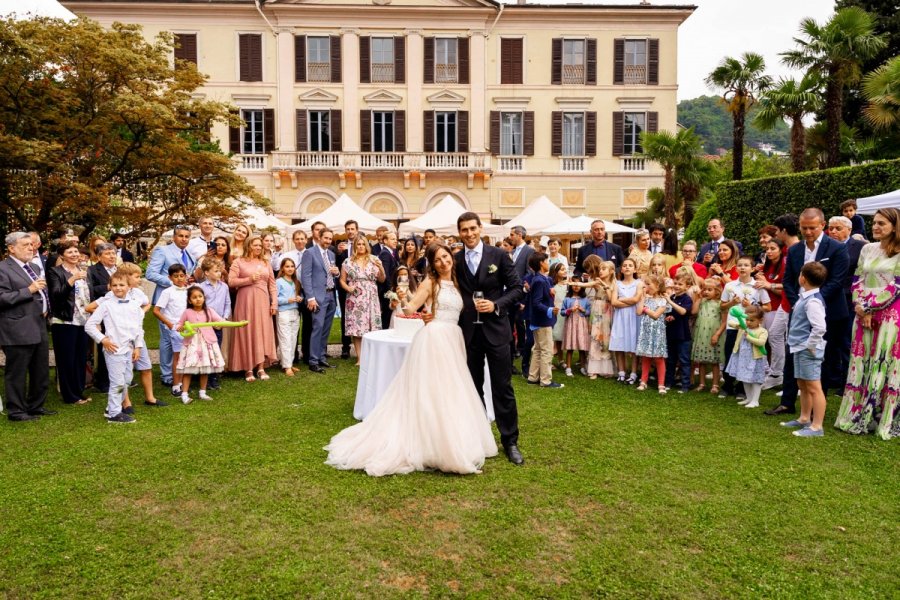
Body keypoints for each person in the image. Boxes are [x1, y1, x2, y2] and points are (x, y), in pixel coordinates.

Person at [324, 243, 498, 476]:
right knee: (432, 392)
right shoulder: (430, 282)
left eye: (445, 257)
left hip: (453, 339)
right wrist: (403, 299)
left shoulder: (460, 282)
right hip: (434, 338)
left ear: (452, 258)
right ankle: (435, 445)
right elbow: (410, 310)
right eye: (437, 260)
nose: (443, 262)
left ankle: (453, 438)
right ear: (432, 264)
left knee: (451, 391)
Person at [455, 212, 525, 465]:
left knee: (502, 387)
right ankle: (479, 437)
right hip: (469, 334)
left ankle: (510, 441)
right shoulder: (455, 260)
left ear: (480, 228)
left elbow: (517, 289)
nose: (469, 234)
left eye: (473, 228)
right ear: (459, 233)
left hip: (496, 331)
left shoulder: (499, 256)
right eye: (464, 230)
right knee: (473, 389)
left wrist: (495, 305)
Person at [766, 208, 849, 414]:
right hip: (798, 311)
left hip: (829, 311)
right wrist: (798, 304)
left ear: (822, 225)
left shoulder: (836, 248)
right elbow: (788, 281)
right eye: (804, 228)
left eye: (812, 228)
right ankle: (787, 402)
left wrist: (814, 302)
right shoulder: (794, 250)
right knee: (792, 354)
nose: (808, 232)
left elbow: (837, 281)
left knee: (824, 358)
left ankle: (814, 407)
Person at [834, 208, 900, 440]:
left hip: (890, 314)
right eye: (874, 222)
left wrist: (870, 308)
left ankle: (881, 414)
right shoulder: (867, 248)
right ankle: (858, 411)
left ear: (895, 225)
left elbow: (897, 286)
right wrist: (860, 308)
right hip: (862, 313)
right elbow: (857, 279)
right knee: (861, 361)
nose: (876, 226)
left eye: (882, 223)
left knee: (883, 361)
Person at [90, 261, 165, 409]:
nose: (139, 280)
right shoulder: (111, 296)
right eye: (137, 276)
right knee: (122, 374)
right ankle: (125, 403)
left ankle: (150, 398)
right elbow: (90, 308)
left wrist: (141, 312)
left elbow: (147, 303)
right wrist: (110, 316)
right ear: (126, 277)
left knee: (144, 367)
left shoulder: (137, 293)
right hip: (120, 341)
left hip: (137, 337)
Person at [0, 232, 52, 421]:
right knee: (18, 372)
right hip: (17, 327)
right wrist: (28, 290)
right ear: (11, 248)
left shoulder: (35, 267)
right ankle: (16, 411)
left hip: (39, 324)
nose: (31, 248)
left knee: (40, 370)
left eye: (31, 244)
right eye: (25, 245)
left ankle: (36, 406)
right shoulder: (3, 269)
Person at [84, 271, 144, 424]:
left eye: (122, 285)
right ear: (109, 287)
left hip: (129, 349)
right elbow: (90, 325)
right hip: (114, 349)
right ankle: (114, 414)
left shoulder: (134, 305)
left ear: (129, 287)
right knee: (117, 382)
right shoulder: (106, 305)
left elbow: (138, 327)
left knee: (127, 380)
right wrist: (103, 339)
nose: (118, 288)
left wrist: (137, 347)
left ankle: (111, 406)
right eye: (115, 285)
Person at [781, 262, 829, 437]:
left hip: (808, 349)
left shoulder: (813, 301)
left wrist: (810, 345)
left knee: (814, 386)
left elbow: (819, 327)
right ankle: (803, 418)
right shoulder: (805, 297)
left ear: (803, 278)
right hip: (799, 347)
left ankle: (817, 427)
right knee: (802, 384)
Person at [146, 224, 195, 386]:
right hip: (165, 300)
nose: (184, 239)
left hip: (182, 302)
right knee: (167, 339)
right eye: (180, 236)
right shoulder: (163, 251)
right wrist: (172, 283)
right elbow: (150, 273)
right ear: (174, 237)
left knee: (179, 338)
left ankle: (180, 372)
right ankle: (167, 375)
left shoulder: (189, 254)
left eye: (187, 236)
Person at [718, 255, 771, 400]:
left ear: (752, 269)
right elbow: (722, 306)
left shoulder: (757, 286)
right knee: (730, 355)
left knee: (746, 357)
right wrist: (731, 303)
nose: (742, 268)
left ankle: (742, 388)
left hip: (750, 328)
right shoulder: (730, 286)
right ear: (736, 268)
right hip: (733, 326)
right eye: (740, 265)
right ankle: (727, 385)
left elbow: (768, 306)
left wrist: (753, 307)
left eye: (746, 265)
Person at [47, 240, 92, 406]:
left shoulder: (84, 270)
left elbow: (90, 295)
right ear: (62, 255)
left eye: (76, 251)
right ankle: (70, 395)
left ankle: (79, 392)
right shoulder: (55, 272)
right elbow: (56, 295)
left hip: (84, 321)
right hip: (65, 321)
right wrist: (71, 280)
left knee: (81, 358)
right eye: (70, 252)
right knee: (67, 359)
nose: (74, 255)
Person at [826, 215, 867, 392]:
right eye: (831, 228)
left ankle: (848, 381)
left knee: (847, 341)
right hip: (829, 299)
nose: (833, 231)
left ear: (849, 230)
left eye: (838, 228)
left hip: (850, 299)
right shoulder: (825, 246)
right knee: (830, 340)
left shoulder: (860, 247)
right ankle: (833, 377)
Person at [229, 236, 278, 381]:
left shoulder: (265, 262)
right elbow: (231, 281)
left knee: (262, 331)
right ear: (248, 246)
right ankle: (248, 368)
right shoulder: (238, 262)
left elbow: (272, 285)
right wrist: (249, 280)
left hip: (263, 301)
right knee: (247, 331)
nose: (258, 248)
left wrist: (274, 303)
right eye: (255, 245)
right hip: (245, 301)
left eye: (260, 246)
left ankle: (261, 367)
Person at [763, 214, 800, 396]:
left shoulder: (797, 250)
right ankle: (777, 373)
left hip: (795, 304)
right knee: (775, 335)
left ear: (784, 231)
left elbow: (794, 281)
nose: (775, 234)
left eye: (777, 231)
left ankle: (797, 383)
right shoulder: (789, 251)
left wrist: (770, 285)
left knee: (795, 343)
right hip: (786, 304)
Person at [176, 286, 226, 404]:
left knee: (205, 368)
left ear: (204, 298)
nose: (198, 299)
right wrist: (180, 327)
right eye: (194, 297)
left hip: (206, 343)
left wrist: (223, 324)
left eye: (200, 296)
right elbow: (179, 324)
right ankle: (184, 394)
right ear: (189, 300)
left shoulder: (209, 311)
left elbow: (220, 321)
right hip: (192, 343)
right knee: (188, 369)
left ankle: (202, 392)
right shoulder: (187, 312)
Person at [340, 236, 385, 365]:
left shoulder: (374, 259)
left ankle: (371, 356)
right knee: (357, 327)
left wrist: (381, 268)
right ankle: (360, 358)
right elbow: (342, 280)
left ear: (366, 246)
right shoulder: (348, 262)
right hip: (355, 298)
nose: (360, 246)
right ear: (354, 246)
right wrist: (348, 288)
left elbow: (382, 279)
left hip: (371, 296)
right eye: (358, 244)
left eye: (363, 244)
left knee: (372, 327)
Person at [302, 228, 340, 374]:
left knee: (326, 329)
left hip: (331, 295)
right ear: (319, 237)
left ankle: (322, 357)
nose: (328, 241)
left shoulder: (331, 253)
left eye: (330, 239)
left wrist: (336, 273)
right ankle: (313, 361)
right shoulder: (309, 253)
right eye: (326, 238)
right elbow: (306, 277)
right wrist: (310, 298)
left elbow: (330, 274)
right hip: (317, 297)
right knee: (317, 328)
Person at [525, 252, 563, 388]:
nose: (549, 263)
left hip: (539, 320)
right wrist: (549, 310)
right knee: (546, 350)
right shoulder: (539, 280)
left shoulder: (541, 278)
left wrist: (550, 292)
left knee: (538, 349)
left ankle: (533, 377)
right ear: (541, 263)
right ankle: (545, 380)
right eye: (547, 261)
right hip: (542, 320)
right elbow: (536, 302)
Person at [153, 264, 189, 397]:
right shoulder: (167, 292)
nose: (179, 279)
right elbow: (156, 311)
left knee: (186, 356)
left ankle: (182, 382)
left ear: (186, 276)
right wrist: (168, 323)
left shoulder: (188, 291)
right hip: (175, 328)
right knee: (178, 357)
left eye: (181, 276)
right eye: (176, 276)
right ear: (170, 277)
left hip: (188, 328)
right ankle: (175, 385)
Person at [755, 239, 787, 385]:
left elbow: (785, 291)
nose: (769, 251)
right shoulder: (767, 266)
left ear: (781, 250)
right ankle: (769, 371)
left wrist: (768, 285)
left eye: (773, 248)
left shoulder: (784, 265)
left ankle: (778, 373)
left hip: (778, 308)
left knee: (776, 339)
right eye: (767, 249)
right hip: (765, 308)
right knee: (765, 341)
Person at [724, 305, 769, 409]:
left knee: (755, 380)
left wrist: (749, 338)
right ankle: (749, 398)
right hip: (743, 358)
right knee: (744, 378)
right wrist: (739, 322)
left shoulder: (762, 331)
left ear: (760, 320)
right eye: (747, 319)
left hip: (755, 359)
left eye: (752, 320)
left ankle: (755, 400)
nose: (748, 322)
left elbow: (761, 342)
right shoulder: (744, 327)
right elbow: (731, 323)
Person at [635, 274, 671, 393]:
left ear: (658, 286)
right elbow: (639, 312)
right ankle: (643, 381)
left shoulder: (663, 300)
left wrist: (646, 309)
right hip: (646, 332)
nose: (646, 286)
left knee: (659, 358)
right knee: (646, 357)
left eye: (648, 284)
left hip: (658, 333)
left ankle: (661, 384)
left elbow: (656, 315)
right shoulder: (647, 299)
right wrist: (642, 299)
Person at [198, 258, 231, 389]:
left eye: (220, 271)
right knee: (206, 351)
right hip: (206, 325)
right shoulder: (200, 288)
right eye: (216, 271)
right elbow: (200, 306)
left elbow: (227, 303)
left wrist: (223, 319)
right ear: (206, 273)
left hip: (219, 324)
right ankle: (204, 378)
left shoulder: (224, 287)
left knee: (216, 350)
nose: (219, 273)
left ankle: (214, 379)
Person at [610, 258, 642, 384]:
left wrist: (621, 300)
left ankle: (633, 373)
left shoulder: (639, 283)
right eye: (625, 265)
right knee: (619, 343)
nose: (627, 267)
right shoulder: (617, 284)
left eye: (630, 265)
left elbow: (636, 300)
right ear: (621, 269)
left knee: (633, 344)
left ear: (634, 269)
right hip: (620, 317)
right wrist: (630, 301)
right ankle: (621, 372)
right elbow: (613, 302)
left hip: (634, 316)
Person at [691, 278, 726, 394]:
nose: (706, 292)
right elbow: (694, 312)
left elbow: (724, 322)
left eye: (709, 290)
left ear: (717, 291)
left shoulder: (720, 304)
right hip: (701, 334)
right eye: (704, 289)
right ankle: (702, 383)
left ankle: (715, 384)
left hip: (713, 334)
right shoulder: (702, 301)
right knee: (701, 361)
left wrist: (717, 334)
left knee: (714, 361)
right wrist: (698, 297)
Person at [584, 256, 616, 380]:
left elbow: (610, 297)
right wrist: (573, 283)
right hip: (596, 309)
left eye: (604, 268)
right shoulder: (596, 280)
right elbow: (584, 284)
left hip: (607, 310)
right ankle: (594, 368)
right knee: (595, 336)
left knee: (606, 337)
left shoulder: (612, 283)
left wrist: (603, 284)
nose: (601, 271)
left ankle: (605, 368)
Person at [335, 219, 360, 360]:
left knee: (361, 315)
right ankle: (345, 347)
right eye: (348, 229)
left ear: (357, 230)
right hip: (344, 285)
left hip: (360, 286)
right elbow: (338, 266)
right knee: (345, 316)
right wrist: (339, 252)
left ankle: (363, 347)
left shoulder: (362, 245)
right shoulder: (341, 247)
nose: (350, 231)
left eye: (352, 229)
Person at [664, 273, 693, 394]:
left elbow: (682, 311)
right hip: (671, 333)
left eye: (680, 284)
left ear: (687, 287)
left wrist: (669, 301)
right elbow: (670, 313)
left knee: (684, 360)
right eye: (675, 283)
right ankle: (669, 382)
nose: (676, 286)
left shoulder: (686, 299)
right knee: (670, 360)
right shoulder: (673, 297)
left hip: (683, 335)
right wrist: (669, 317)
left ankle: (685, 385)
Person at [275, 258, 303, 377]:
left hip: (295, 312)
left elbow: (299, 295)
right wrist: (287, 300)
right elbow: (274, 299)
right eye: (287, 266)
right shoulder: (279, 282)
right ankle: (286, 366)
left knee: (293, 339)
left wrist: (300, 298)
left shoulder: (296, 282)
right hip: (283, 313)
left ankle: (289, 363)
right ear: (282, 268)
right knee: (285, 339)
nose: (290, 268)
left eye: (292, 266)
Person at [561, 282, 590, 378]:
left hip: (581, 324)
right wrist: (570, 310)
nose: (576, 287)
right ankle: (568, 367)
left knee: (582, 347)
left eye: (578, 284)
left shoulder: (585, 299)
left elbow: (588, 312)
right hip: (571, 324)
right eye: (574, 284)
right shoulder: (567, 299)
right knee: (570, 346)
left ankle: (582, 366)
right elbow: (562, 311)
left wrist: (583, 310)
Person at [376, 231, 399, 329]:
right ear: (385, 241)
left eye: (396, 239)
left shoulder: (391, 253)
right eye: (392, 239)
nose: (395, 241)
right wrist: (391, 292)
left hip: (389, 290)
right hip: (387, 292)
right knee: (386, 316)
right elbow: (386, 274)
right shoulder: (385, 253)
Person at [549, 263, 568, 368]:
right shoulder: (552, 286)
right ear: (555, 272)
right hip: (555, 312)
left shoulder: (567, 285)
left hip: (564, 312)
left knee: (561, 336)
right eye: (562, 269)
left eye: (565, 269)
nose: (565, 271)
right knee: (552, 336)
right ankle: (550, 361)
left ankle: (561, 359)